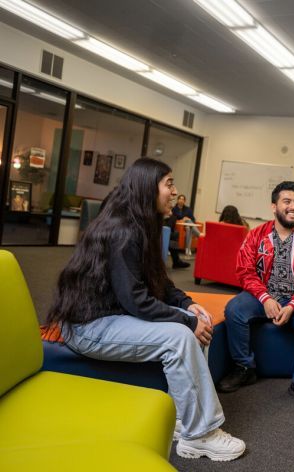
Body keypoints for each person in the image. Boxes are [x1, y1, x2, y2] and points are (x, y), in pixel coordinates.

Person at [46, 157, 245, 462]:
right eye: (169, 184)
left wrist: (186, 304)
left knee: (197, 318)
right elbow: (135, 300)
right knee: (179, 336)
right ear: (147, 188)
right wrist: (185, 322)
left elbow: (160, 280)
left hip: (113, 316)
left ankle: (184, 416)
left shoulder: (141, 224)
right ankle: (201, 434)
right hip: (88, 326)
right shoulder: (122, 232)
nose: (175, 191)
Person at [217, 181, 294, 407]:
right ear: (274, 207)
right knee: (234, 310)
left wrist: (292, 305)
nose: (293, 207)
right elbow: (244, 271)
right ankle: (244, 367)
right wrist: (265, 298)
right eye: (287, 201)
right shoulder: (256, 235)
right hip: (260, 296)